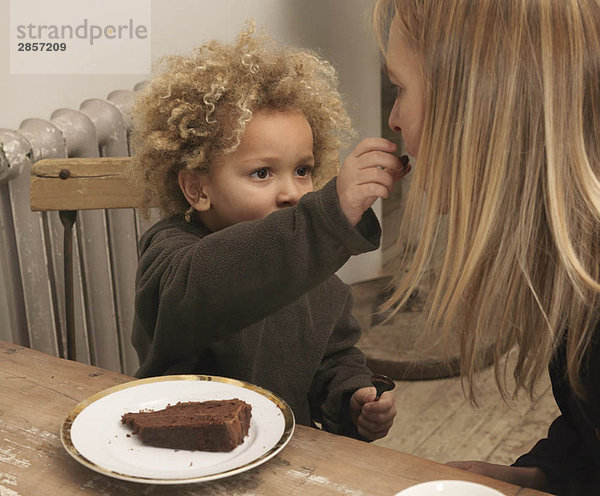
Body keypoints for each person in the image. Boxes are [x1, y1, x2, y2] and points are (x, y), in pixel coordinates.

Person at [129, 24, 404, 441]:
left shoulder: (310, 270)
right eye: (262, 173)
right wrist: (326, 215)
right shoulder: (170, 255)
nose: (292, 193)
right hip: (176, 456)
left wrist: (352, 399)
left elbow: (335, 358)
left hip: (282, 453)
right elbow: (204, 286)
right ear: (198, 189)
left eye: (303, 170)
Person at [372, 0, 600, 493]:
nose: (394, 119)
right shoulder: (575, 270)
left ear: (476, 107)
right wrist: (547, 474)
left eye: (400, 89)